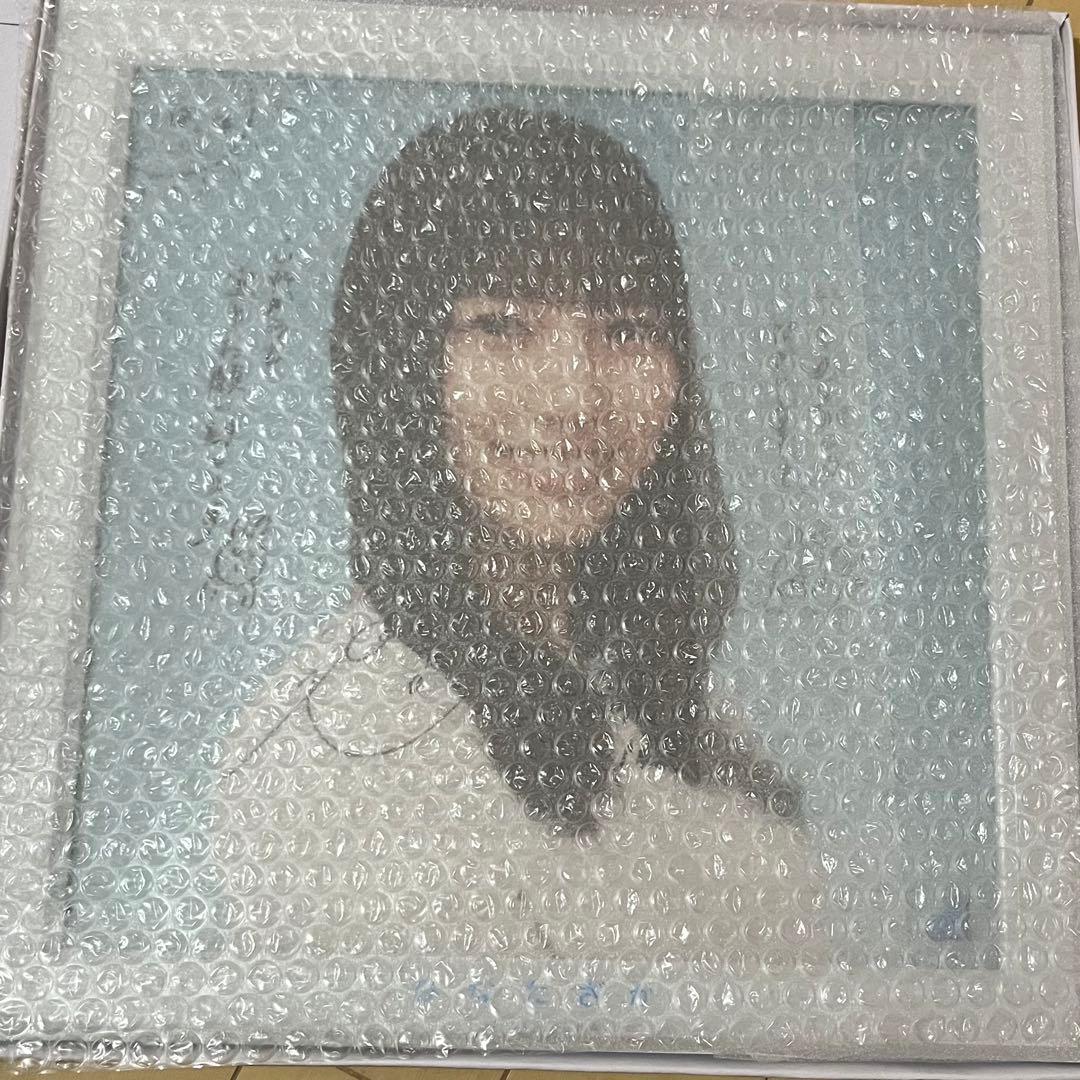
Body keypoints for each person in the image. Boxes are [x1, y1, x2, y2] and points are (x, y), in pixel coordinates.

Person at [217, 106, 828, 1041]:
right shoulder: (335, 761)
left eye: (626, 328)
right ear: (399, 363)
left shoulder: (684, 720)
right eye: (502, 325)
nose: (574, 397)